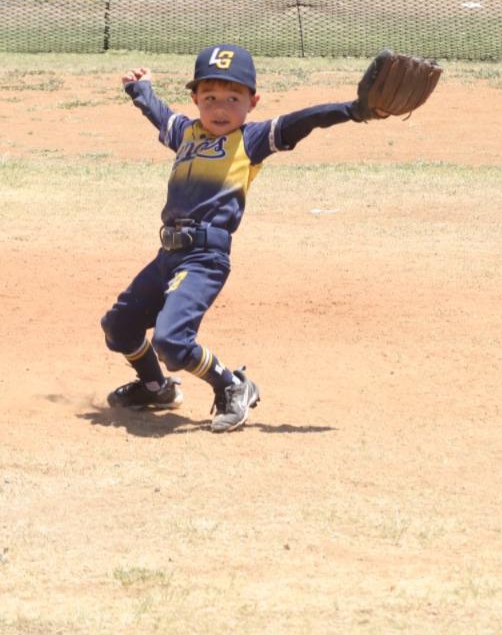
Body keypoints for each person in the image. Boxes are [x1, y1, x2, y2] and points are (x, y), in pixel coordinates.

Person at [102, 44, 396, 432]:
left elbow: (301, 120)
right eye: (209, 98)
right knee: (119, 326)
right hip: (167, 256)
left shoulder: (251, 140)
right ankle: (155, 387)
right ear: (195, 99)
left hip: (205, 258)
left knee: (172, 341)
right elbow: (160, 116)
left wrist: (352, 110)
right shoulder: (186, 133)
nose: (220, 108)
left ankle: (232, 385)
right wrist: (140, 91)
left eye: (233, 97)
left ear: (252, 102)